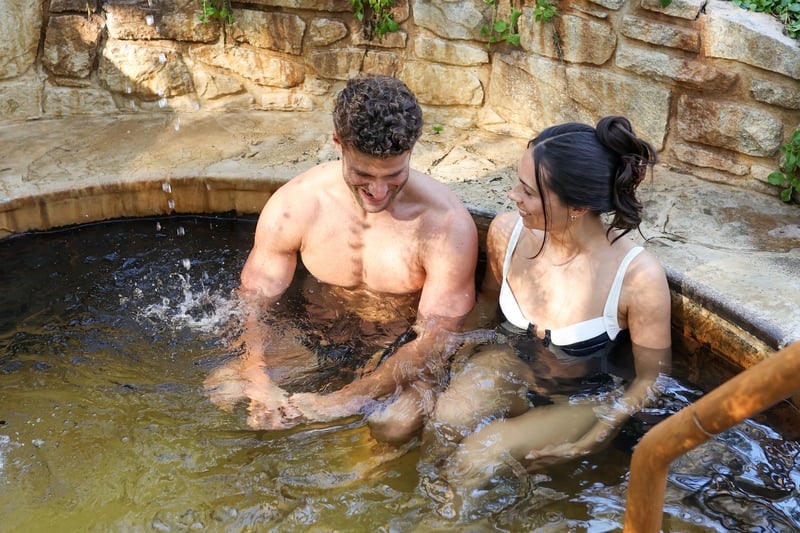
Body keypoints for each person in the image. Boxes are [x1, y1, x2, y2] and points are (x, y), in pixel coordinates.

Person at [203, 74, 480, 445]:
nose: (378, 191)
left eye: (394, 175)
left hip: (398, 352)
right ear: (338, 143)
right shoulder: (297, 205)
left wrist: (346, 399)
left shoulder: (446, 225)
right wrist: (258, 379)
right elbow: (252, 303)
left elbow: (437, 338)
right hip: (314, 337)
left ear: (413, 150)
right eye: (363, 174)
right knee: (225, 386)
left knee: (395, 424)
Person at [421, 116, 672, 496]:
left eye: (528, 191)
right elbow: (488, 302)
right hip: (512, 363)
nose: (512, 196)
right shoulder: (508, 233)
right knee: (445, 421)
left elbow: (653, 379)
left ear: (577, 206)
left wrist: (598, 436)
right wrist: (452, 358)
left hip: (580, 396)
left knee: (480, 452)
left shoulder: (637, 278)